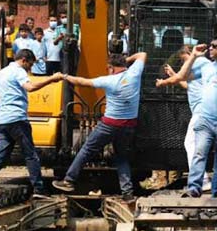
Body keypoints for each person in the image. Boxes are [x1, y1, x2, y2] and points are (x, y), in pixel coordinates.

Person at [157, 36, 217, 198]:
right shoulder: (206, 67)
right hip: (205, 120)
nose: (210, 49)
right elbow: (181, 77)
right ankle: (194, 187)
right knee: (199, 153)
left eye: (214, 46)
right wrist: (193, 55)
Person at [52, 52, 148, 201]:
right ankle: (127, 193)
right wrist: (125, 61)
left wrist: (64, 77)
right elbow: (142, 54)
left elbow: (82, 82)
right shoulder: (135, 73)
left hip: (109, 124)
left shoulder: (109, 81)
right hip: (129, 125)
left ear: (111, 68)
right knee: (122, 158)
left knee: (87, 149)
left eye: (109, 67)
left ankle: (69, 180)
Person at [0, 49, 62, 193]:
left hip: (2, 120)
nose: (30, 69)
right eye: (30, 64)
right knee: (30, 154)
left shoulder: (2, 72)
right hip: (17, 119)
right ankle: (39, 188)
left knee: (2, 155)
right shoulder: (19, 71)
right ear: (23, 60)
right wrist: (51, 79)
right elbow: (30, 87)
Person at [162, 46, 212, 190]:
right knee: (197, 144)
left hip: (202, 110)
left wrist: (165, 81)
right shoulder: (201, 64)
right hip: (202, 109)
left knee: (190, 143)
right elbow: (187, 85)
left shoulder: (198, 62)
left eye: (184, 58)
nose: (185, 62)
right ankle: (202, 179)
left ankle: (201, 180)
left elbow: (180, 78)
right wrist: (173, 73)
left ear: (190, 54)